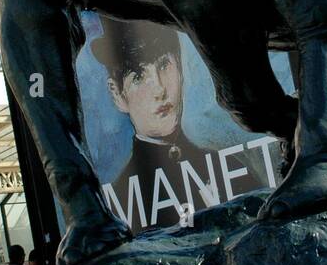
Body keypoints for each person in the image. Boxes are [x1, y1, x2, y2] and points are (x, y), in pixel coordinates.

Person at [94, 16, 243, 231]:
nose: (160, 90)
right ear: (117, 94)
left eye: (164, 65)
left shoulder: (230, 169)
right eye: (138, 76)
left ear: (180, 68)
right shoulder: (119, 202)